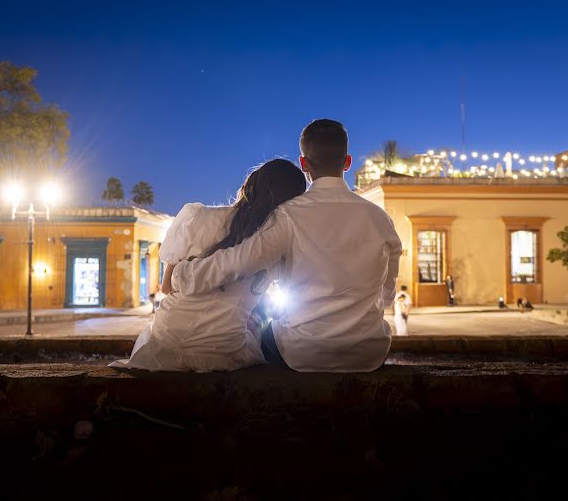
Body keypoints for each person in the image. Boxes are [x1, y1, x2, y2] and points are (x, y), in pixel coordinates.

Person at [171, 119, 403, 372]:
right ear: (347, 161)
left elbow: (239, 262)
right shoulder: (381, 219)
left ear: (303, 164)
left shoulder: (288, 215)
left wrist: (184, 276)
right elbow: (387, 296)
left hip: (303, 352)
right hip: (369, 354)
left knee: (258, 333)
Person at [111, 159, 307, 371]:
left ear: (251, 185)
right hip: (222, 349)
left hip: (168, 338)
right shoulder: (277, 245)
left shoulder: (197, 217)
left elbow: (166, 287)